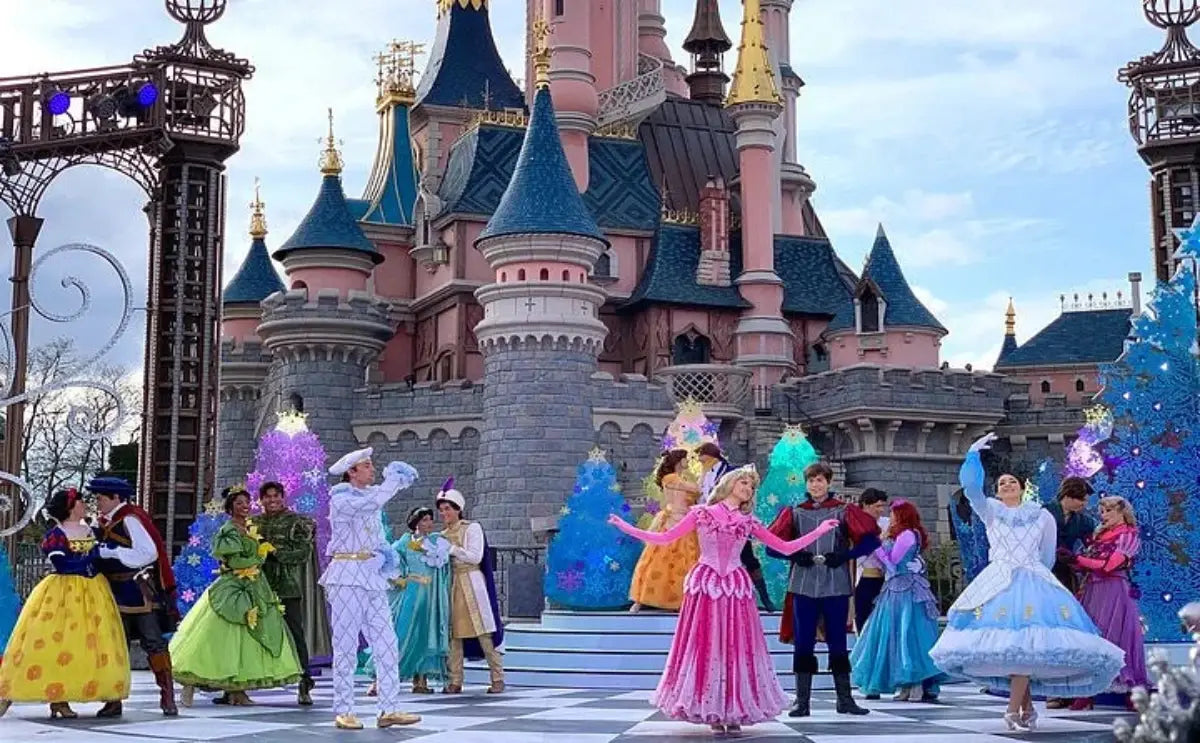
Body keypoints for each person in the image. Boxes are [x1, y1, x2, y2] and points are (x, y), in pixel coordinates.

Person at [608, 465, 839, 735]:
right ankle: (712, 710)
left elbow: (784, 547)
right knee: (708, 645)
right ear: (730, 484)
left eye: (751, 486)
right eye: (744, 483)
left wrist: (819, 531)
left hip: (734, 587)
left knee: (734, 647)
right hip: (706, 585)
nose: (748, 489)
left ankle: (734, 709)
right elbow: (664, 537)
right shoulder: (702, 513)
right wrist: (625, 527)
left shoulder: (748, 521)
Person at [929, 433, 1125, 733]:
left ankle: (1014, 710)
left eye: (1012, 482)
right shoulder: (991, 511)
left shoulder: (1042, 516)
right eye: (1001, 483)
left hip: (1033, 580)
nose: (1006, 485)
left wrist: (1038, 577)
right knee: (1017, 648)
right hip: (999, 582)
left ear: (1022, 487)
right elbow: (971, 488)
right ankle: (1027, 707)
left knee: (1025, 648)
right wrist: (971, 456)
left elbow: (1047, 553)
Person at [0, 488, 130, 719]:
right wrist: (93, 556)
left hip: (94, 593)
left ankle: (106, 696)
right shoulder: (56, 534)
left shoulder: (94, 530)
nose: (84, 505)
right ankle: (57, 698)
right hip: (63, 593)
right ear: (70, 507)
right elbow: (63, 565)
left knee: (91, 643)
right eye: (80, 502)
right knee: (57, 642)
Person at [768, 461, 881, 717]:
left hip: (836, 583)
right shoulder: (795, 512)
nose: (815, 485)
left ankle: (845, 699)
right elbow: (771, 545)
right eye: (811, 480)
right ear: (806, 484)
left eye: (820, 480)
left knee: (838, 642)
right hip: (803, 584)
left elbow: (871, 539)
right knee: (804, 641)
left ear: (828, 482)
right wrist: (795, 556)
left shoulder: (843, 511)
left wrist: (845, 555)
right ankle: (802, 701)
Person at [171, 485, 302, 706]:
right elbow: (231, 560)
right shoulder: (228, 530)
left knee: (248, 638)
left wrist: (259, 555)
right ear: (230, 507)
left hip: (255, 585)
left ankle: (238, 690)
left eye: (246, 502)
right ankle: (190, 683)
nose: (244, 507)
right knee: (216, 635)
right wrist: (258, 559)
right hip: (233, 586)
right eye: (239, 503)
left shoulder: (250, 527)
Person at [321, 447, 422, 730]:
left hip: (371, 576)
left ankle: (388, 708)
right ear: (352, 472)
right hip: (346, 574)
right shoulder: (341, 500)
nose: (373, 470)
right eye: (367, 466)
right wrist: (394, 481)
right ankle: (344, 709)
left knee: (387, 642)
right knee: (346, 644)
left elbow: (375, 534)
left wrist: (384, 557)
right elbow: (371, 504)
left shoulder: (370, 498)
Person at [90, 475, 179, 718]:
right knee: (116, 646)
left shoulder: (130, 518)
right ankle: (113, 699)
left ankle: (167, 695)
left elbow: (148, 552)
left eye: (100, 498)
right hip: (112, 591)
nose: (97, 503)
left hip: (137, 591)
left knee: (153, 642)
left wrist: (113, 552)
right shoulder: (105, 521)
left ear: (115, 497)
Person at [850, 499, 946, 702]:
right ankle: (906, 685)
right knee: (899, 635)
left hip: (905, 589)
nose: (890, 516)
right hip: (898, 588)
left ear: (902, 515)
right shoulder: (905, 534)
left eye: (893, 513)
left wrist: (877, 547)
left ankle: (916, 683)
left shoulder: (908, 534)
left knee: (907, 636)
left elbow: (892, 563)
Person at [1065, 496, 1147, 711]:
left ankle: (1130, 690)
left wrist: (1078, 560)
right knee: (1093, 637)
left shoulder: (1128, 535)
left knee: (1118, 637)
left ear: (1121, 512)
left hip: (1114, 590)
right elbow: (1090, 565)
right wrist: (1073, 562)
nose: (1104, 516)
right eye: (1102, 511)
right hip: (1093, 589)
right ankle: (1088, 690)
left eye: (1108, 511)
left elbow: (1110, 566)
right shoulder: (1100, 535)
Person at [364, 505, 452, 694]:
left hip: (429, 596)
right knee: (401, 634)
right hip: (410, 595)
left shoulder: (437, 541)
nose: (429, 523)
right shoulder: (403, 543)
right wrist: (398, 579)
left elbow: (443, 564)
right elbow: (391, 564)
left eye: (430, 519)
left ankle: (420, 680)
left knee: (425, 634)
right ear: (416, 522)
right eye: (425, 519)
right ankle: (380, 680)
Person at [438, 479, 505, 694]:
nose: (444, 513)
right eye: (441, 510)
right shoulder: (441, 536)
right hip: (452, 584)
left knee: (484, 632)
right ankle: (455, 680)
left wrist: (451, 549)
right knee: (454, 635)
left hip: (472, 583)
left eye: (447, 509)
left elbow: (475, 556)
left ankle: (497, 678)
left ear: (458, 509)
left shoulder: (472, 528)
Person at [254, 481, 317, 705]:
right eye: (267, 497)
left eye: (276, 496)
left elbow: (303, 552)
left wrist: (276, 553)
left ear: (283, 497)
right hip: (256, 586)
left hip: (287, 587)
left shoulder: (296, 522)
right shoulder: (254, 523)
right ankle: (235, 687)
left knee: (294, 634)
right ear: (261, 500)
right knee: (245, 633)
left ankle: (304, 682)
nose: (272, 500)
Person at [699, 442, 774, 612]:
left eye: (702, 455)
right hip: (713, 522)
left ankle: (764, 596)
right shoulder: (705, 474)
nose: (699, 459)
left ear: (711, 456)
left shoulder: (731, 471)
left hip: (736, 522)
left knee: (748, 557)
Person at [628, 450, 701, 612]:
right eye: (685, 459)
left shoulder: (679, 478)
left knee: (682, 562)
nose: (687, 462)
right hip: (672, 521)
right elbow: (695, 489)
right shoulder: (671, 478)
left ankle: (679, 600)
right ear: (679, 460)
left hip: (685, 522)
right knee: (661, 560)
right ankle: (641, 600)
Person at [1045, 476, 1097, 593]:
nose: (1084, 504)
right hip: (1043, 569)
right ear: (1067, 496)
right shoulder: (1043, 512)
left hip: (1066, 571)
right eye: (1082, 500)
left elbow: (1092, 546)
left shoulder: (1085, 521)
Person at [853, 488, 890, 633]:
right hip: (864, 579)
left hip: (886, 579)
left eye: (883, 506)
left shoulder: (887, 524)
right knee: (863, 617)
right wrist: (876, 542)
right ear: (866, 505)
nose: (881, 510)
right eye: (877, 506)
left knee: (883, 620)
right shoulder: (855, 524)